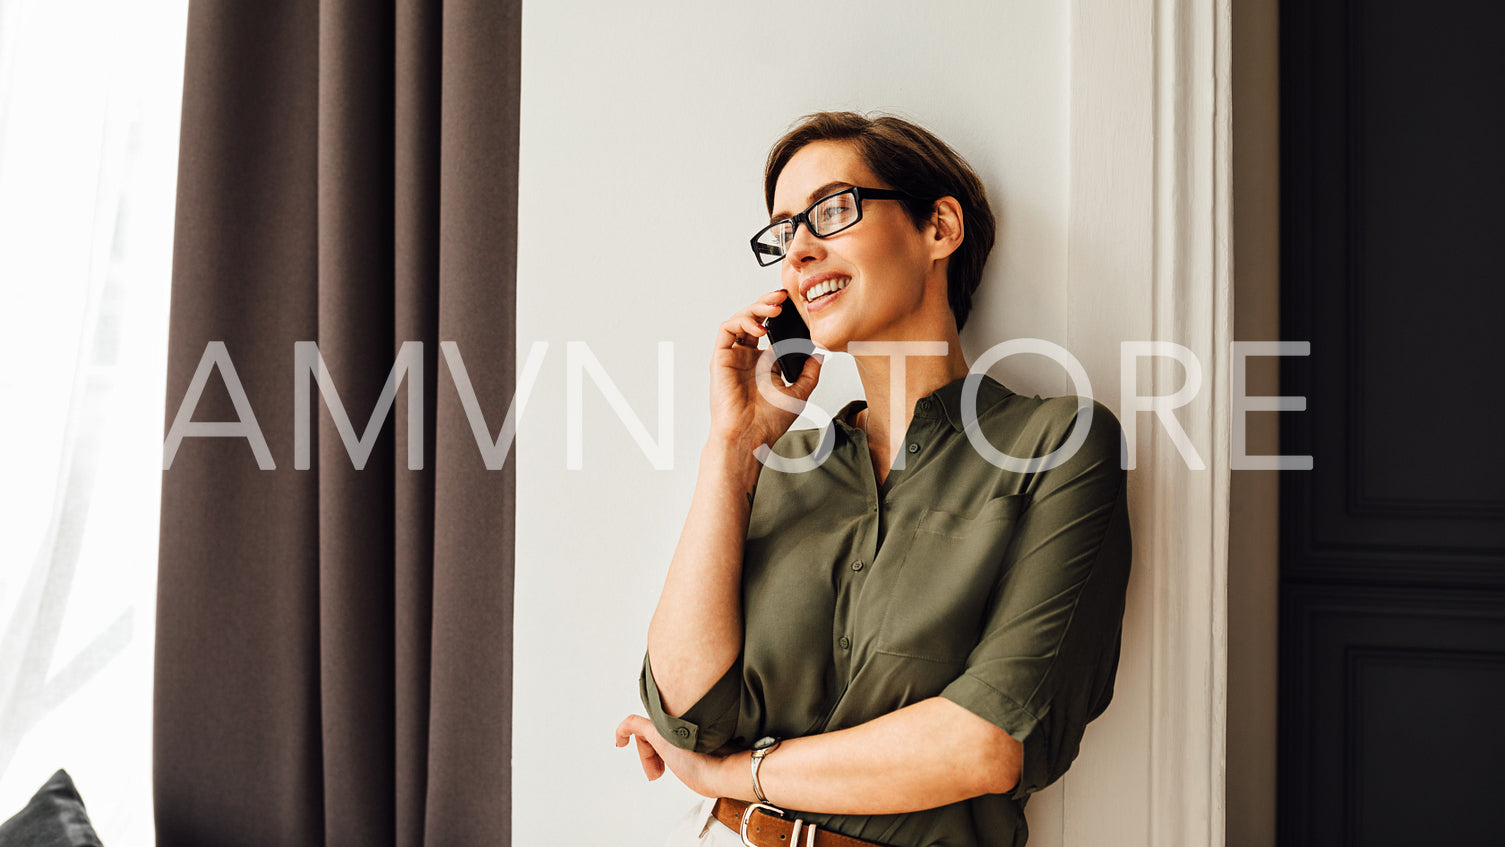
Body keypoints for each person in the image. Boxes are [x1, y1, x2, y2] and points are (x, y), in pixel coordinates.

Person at [615, 112, 1132, 847]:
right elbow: (686, 712)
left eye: (830, 209)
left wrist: (732, 776)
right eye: (784, 231)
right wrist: (733, 446)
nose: (797, 249)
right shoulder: (776, 470)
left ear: (939, 228)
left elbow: (981, 744)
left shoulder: (1057, 444)